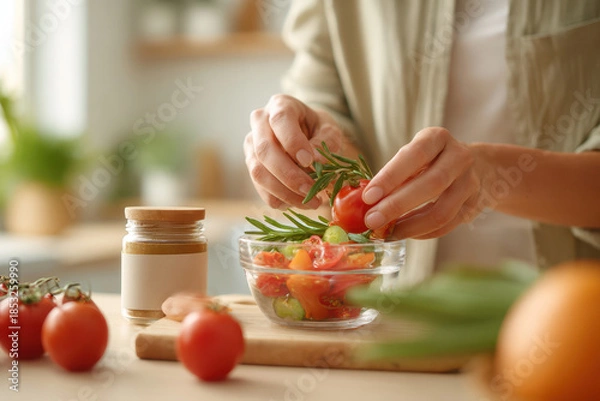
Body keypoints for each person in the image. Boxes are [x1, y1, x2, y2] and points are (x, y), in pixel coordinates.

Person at [243, 0, 600, 277]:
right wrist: (309, 142)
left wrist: (490, 174)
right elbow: (324, 98)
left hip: (575, 325)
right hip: (400, 330)